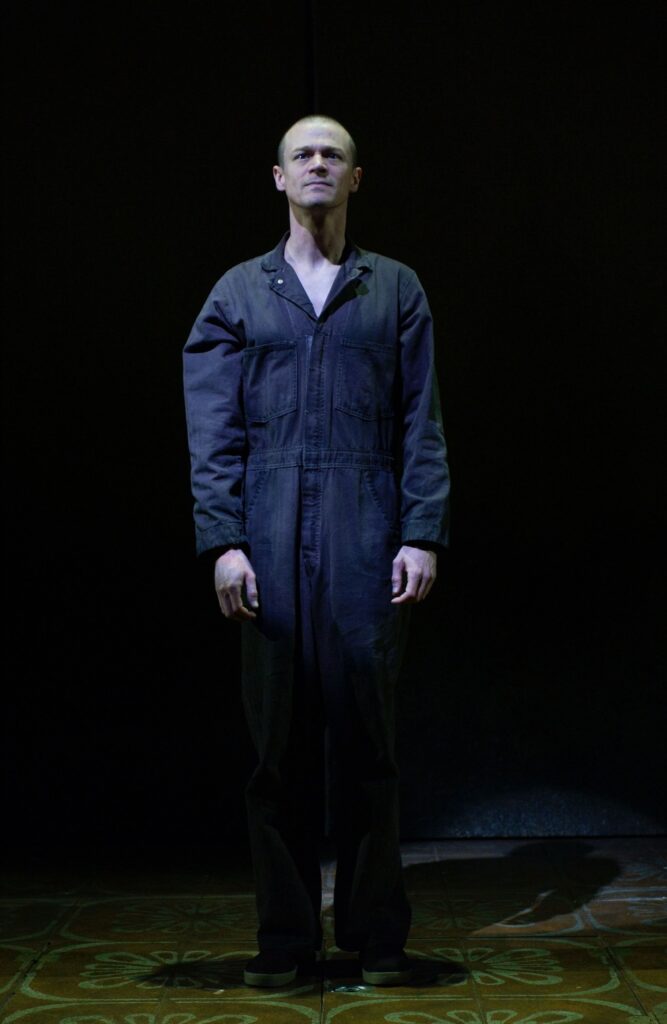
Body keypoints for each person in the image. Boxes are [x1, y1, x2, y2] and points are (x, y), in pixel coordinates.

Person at [182, 115, 450, 988]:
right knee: (277, 753)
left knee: (369, 746)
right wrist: (224, 542)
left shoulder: (394, 287)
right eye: (303, 154)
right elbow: (212, 433)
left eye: (334, 155)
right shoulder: (238, 292)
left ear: (355, 178)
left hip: (366, 529)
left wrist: (420, 531)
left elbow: (421, 421)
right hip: (267, 532)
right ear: (278, 176)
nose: (318, 165)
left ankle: (376, 937)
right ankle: (286, 941)